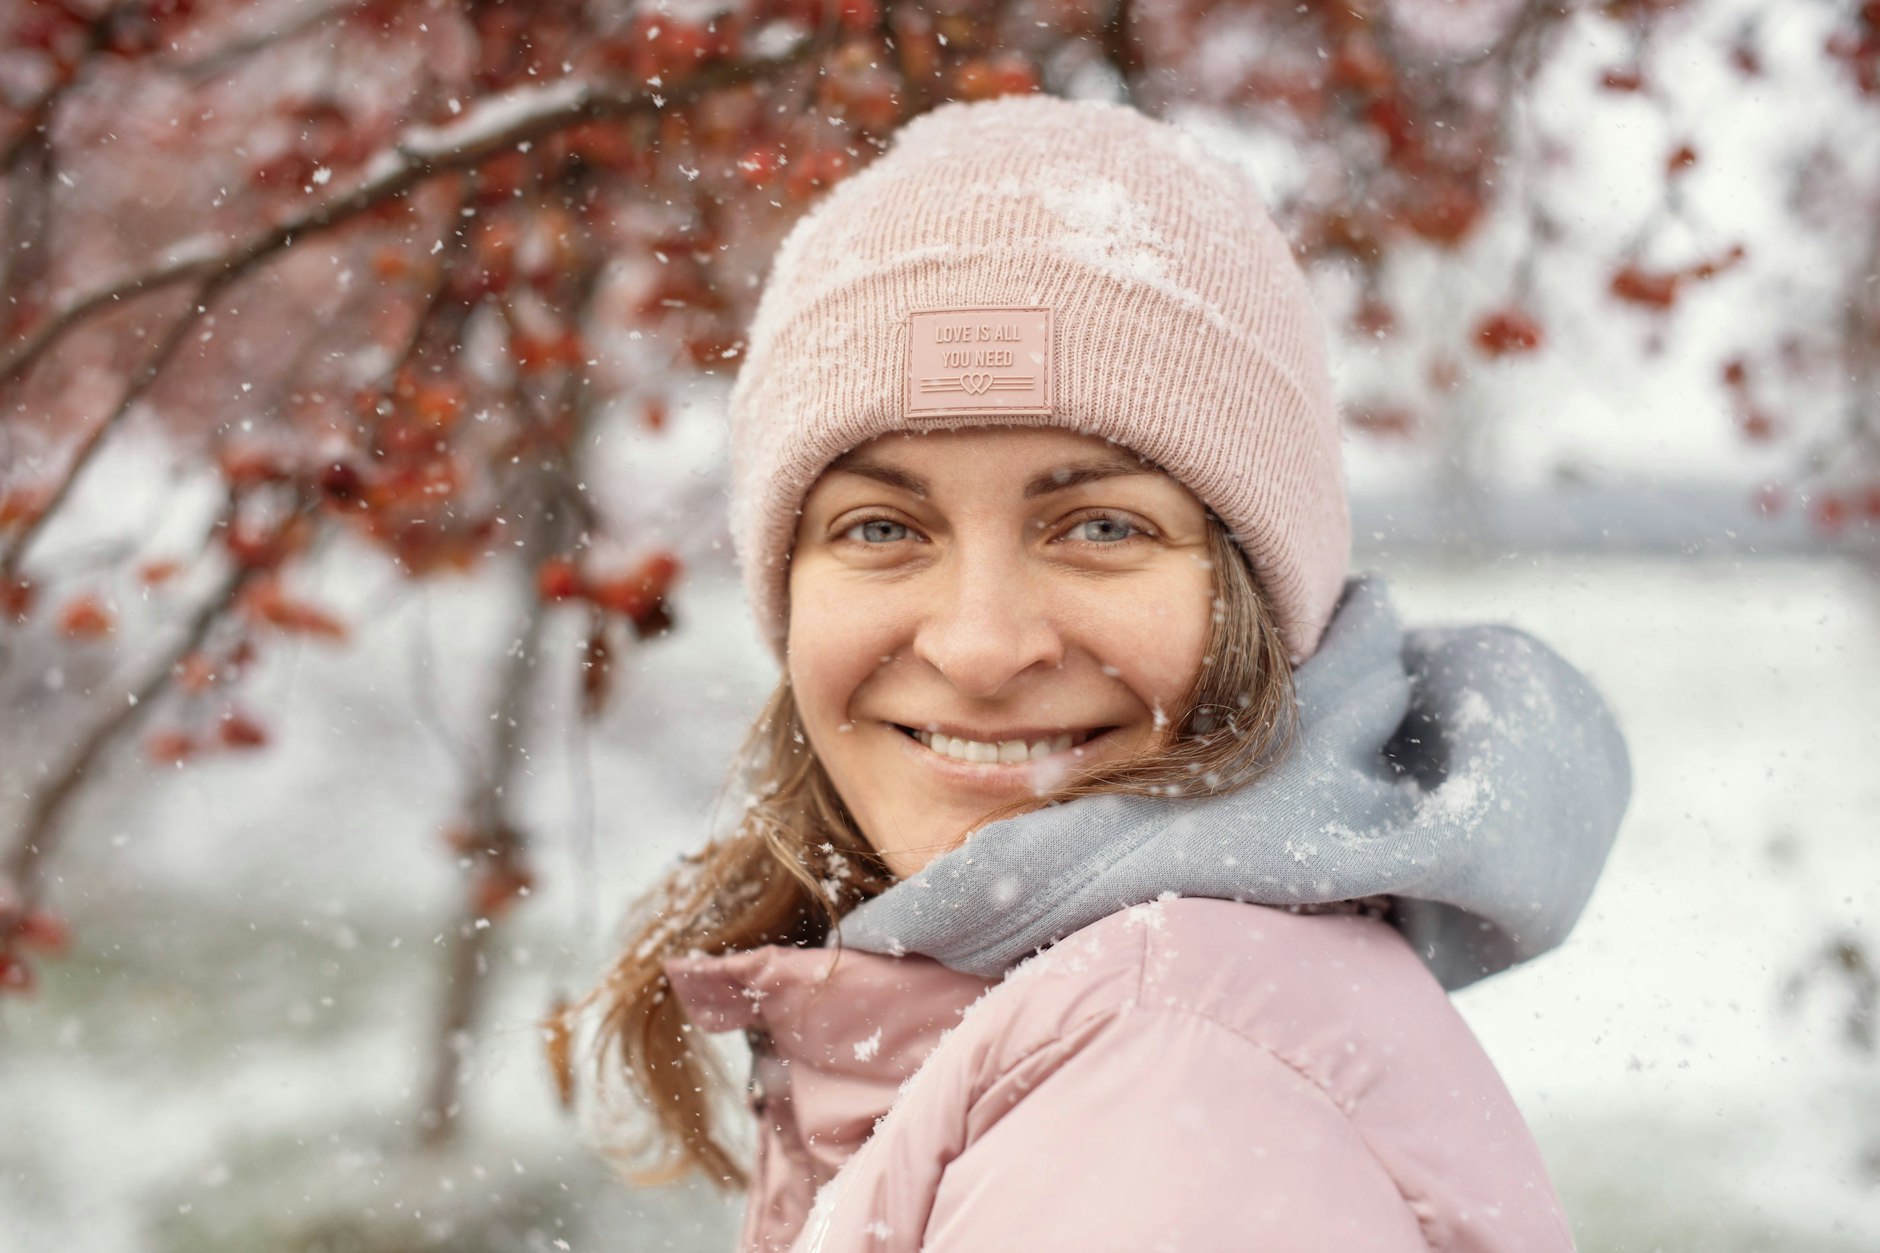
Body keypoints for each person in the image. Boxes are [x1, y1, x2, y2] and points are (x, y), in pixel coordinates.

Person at [567, 95, 1632, 1252]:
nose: (978, 645)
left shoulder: (1175, 1082)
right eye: (881, 529)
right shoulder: (1093, 1030)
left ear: (1258, 600)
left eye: (1099, 528)